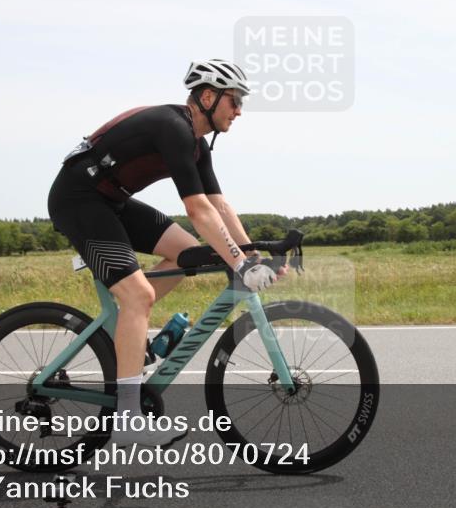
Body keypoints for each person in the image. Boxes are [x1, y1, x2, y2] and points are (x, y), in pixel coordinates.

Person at [47, 59, 285, 447]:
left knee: (188, 252)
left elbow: (219, 206)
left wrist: (253, 256)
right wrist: (239, 264)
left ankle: (131, 331)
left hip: (112, 203)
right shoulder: (172, 128)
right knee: (138, 294)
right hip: (79, 201)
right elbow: (197, 211)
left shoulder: (196, 145)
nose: (239, 110)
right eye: (235, 100)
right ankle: (127, 421)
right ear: (207, 97)